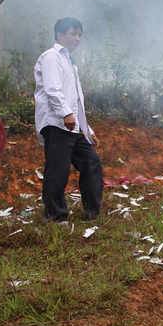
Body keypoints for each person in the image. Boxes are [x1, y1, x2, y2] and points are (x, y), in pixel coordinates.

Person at [34, 17, 104, 222]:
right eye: (73, 33)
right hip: (57, 123)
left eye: (80, 34)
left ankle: (93, 212)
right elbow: (52, 89)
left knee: (92, 162)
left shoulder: (70, 63)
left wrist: (87, 129)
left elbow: (77, 100)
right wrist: (65, 113)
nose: (77, 39)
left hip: (72, 125)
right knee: (58, 169)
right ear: (60, 35)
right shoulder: (51, 57)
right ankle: (55, 215)